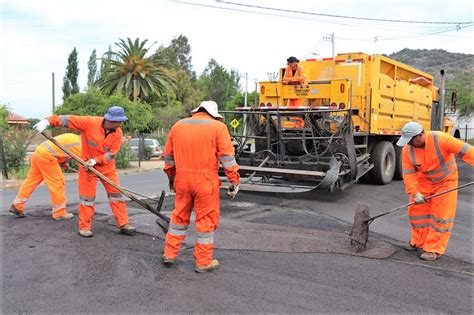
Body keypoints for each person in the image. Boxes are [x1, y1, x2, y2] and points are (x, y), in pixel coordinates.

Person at [33, 106, 136, 238]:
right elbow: (67, 120)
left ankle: (123, 224)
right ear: (108, 119)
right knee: (87, 199)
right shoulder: (90, 123)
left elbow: (111, 154)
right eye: (116, 122)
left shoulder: (118, 132)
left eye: (120, 122)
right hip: (87, 167)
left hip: (107, 168)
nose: (119, 124)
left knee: (116, 196)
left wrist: (96, 160)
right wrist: (47, 122)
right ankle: (84, 227)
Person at [162, 100, 240, 273]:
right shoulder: (218, 128)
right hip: (205, 181)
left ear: (197, 111)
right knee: (205, 221)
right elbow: (227, 157)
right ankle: (203, 262)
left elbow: (168, 157)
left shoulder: (178, 126)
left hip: (182, 179)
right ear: (214, 114)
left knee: (178, 218)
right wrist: (234, 180)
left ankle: (169, 254)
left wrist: (171, 177)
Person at [396, 121, 473, 261]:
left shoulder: (442, 139)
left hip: (446, 182)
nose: (408, 144)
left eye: (410, 140)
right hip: (424, 182)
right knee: (416, 213)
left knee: (441, 216)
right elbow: (408, 174)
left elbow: (468, 151)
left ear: (419, 136)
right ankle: (418, 242)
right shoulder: (407, 150)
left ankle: (433, 249)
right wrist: (415, 193)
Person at [9, 133, 81, 220]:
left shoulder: (72, 137)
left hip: (38, 154)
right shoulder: (80, 145)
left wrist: (63, 162)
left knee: (31, 181)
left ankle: (17, 205)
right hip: (47, 158)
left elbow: (59, 149)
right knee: (57, 183)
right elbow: (84, 163)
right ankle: (59, 212)